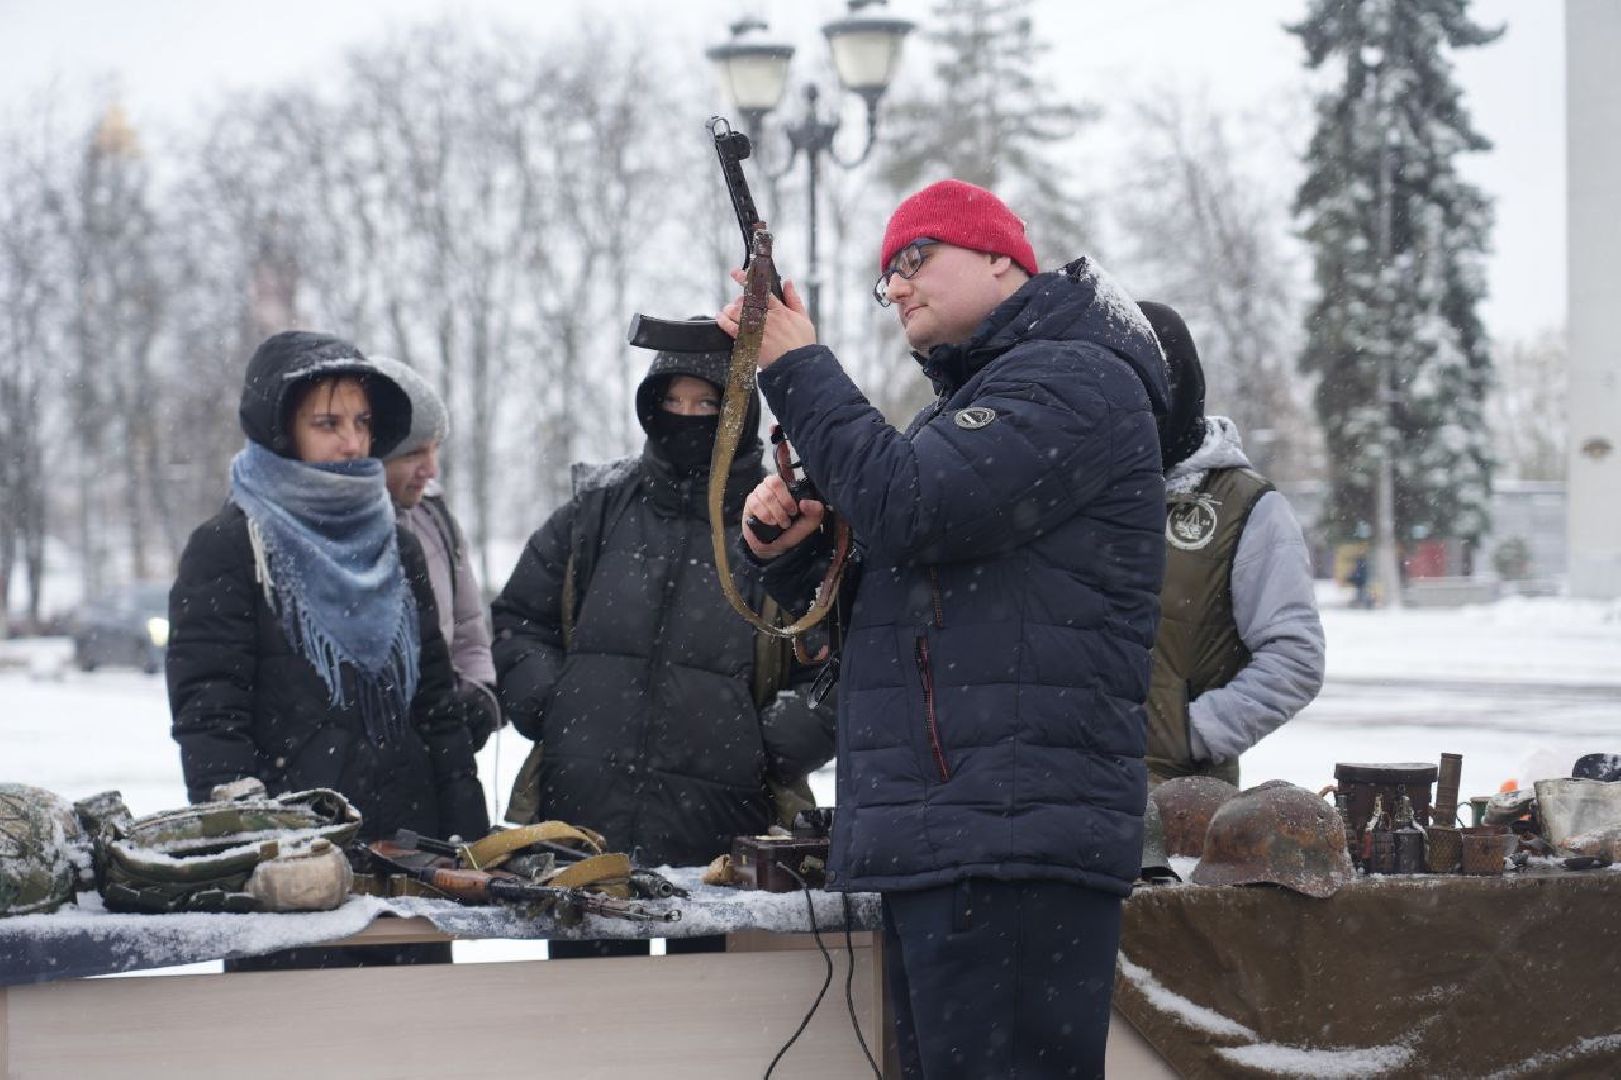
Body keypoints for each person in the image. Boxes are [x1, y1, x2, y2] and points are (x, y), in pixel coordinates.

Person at [718, 179, 1169, 1079]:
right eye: (887, 278)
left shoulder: (1074, 381)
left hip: (1006, 835)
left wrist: (798, 366)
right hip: (972, 830)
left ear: (1003, 258)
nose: (899, 288)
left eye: (918, 259)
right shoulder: (994, 397)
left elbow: (912, 506)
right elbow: (912, 599)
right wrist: (801, 555)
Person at [491, 346, 836, 959]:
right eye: (672, 402)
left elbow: (844, 652)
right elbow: (522, 617)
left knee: (708, 1028)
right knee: (584, 1025)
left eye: (707, 404)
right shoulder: (597, 509)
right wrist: (550, 703)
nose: (688, 416)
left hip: (728, 833)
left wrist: (779, 742)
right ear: (649, 410)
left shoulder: (782, 517)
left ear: (741, 414)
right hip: (584, 827)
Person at [166, 330, 489, 968]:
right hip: (292, 879)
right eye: (327, 422)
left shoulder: (396, 544)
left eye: (363, 422)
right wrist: (263, 853)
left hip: (410, 864)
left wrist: (469, 839)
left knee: (417, 1054)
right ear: (283, 430)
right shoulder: (229, 547)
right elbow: (211, 722)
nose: (352, 441)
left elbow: (435, 705)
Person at [1138, 302, 1326, 788]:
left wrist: (1186, 734)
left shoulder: (1246, 507)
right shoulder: (1075, 491)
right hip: (1061, 803)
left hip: (1180, 806)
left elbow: (1294, 657)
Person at [370, 357, 502, 753]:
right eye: (413, 454)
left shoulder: (437, 519)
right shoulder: (334, 533)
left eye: (436, 449)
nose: (431, 468)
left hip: (440, 755)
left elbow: (468, 631)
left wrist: (478, 697)